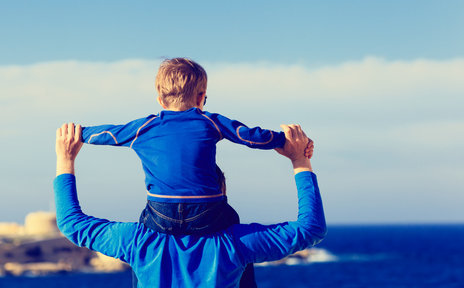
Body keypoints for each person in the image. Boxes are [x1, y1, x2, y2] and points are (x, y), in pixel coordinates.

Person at [80, 58, 313, 286]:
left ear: (160, 99)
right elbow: (248, 135)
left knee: (143, 234)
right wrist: (286, 141)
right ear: (202, 97)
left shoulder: (143, 127)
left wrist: (78, 133)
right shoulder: (210, 121)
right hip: (206, 213)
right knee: (230, 223)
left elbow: (108, 134)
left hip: (161, 215)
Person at [55, 122, 326, 288]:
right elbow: (310, 228)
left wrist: (66, 159)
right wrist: (299, 161)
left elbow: (71, 224)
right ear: (221, 195)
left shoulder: (139, 242)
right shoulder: (234, 244)